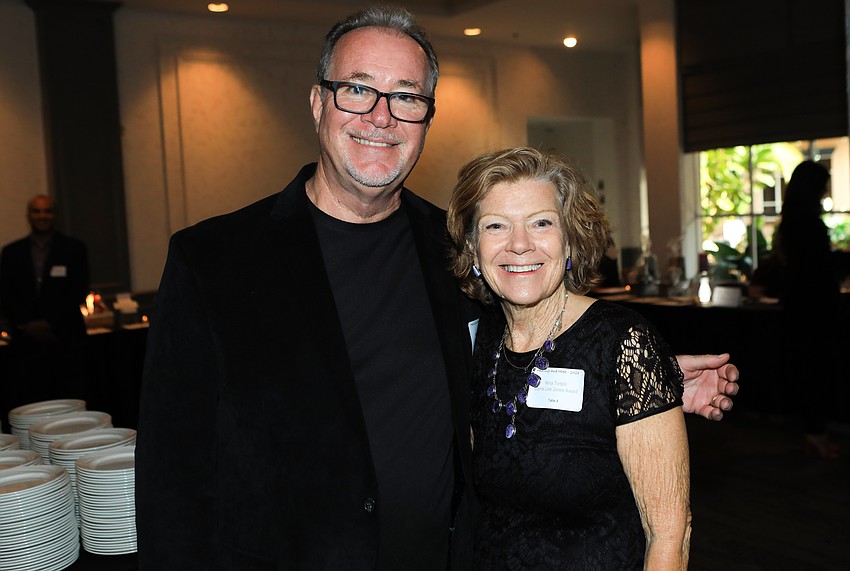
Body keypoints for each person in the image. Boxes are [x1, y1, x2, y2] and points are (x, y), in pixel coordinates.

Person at [135, 6, 738, 570]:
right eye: (358, 89)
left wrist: (633, 386)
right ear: (318, 103)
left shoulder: (457, 249)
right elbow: (173, 469)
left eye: (406, 97)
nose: (381, 116)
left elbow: (519, 351)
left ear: (427, 117)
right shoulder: (214, 259)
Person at [447, 146, 690, 569]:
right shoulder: (481, 339)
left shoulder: (623, 343)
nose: (519, 245)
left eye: (541, 223)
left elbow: (669, 531)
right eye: (496, 226)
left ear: (570, 237)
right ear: (472, 247)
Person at [773, 160, 850, 459]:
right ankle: (817, 435)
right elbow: (818, 266)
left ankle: (814, 435)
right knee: (818, 371)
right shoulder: (809, 223)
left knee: (809, 370)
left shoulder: (792, 221)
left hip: (799, 306)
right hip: (814, 308)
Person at [0, 194, 90, 418]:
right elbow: (6, 294)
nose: (42, 216)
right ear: (28, 216)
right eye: (37, 211)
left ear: (55, 216)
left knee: (70, 407)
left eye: (47, 211)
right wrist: (28, 325)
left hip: (65, 342)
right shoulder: (11, 252)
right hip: (26, 344)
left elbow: (77, 291)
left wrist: (47, 323)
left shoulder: (74, 248)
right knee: (31, 409)